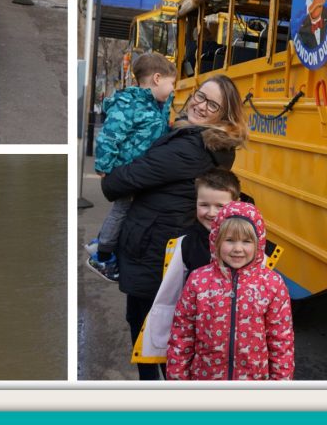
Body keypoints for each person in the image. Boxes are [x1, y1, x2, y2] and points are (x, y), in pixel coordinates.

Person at [101, 74, 248, 381]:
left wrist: (109, 177)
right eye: (200, 95)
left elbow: (125, 179)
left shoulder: (192, 147)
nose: (201, 105)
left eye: (213, 104)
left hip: (154, 251)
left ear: (225, 115)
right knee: (164, 335)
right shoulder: (203, 141)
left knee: (150, 334)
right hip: (163, 248)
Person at [166, 201, 295, 380]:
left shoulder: (272, 284)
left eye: (246, 241)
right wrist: (177, 379)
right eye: (229, 240)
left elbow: (281, 340)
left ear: (259, 243)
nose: (238, 249)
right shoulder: (198, 281)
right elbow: (182, 333)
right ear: (216, 240)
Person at [131, 167, 241, 366]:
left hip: (235, 342)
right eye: (204, 205)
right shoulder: (187, 244)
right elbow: (173, 293)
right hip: (195, 336)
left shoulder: (251, 248)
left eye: (220, 205)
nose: (211, 213)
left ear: (237, 204)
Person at [87, 52, 176, 281]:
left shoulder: (158, 105)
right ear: (157, 79)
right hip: (126, 171)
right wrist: (104, 166)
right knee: (121, 210)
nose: (174, 89)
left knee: (127, 211)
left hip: (141, 171)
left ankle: (102, 243)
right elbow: (109, 136)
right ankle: (103, 255)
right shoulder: (130, 104)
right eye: (172, 83)